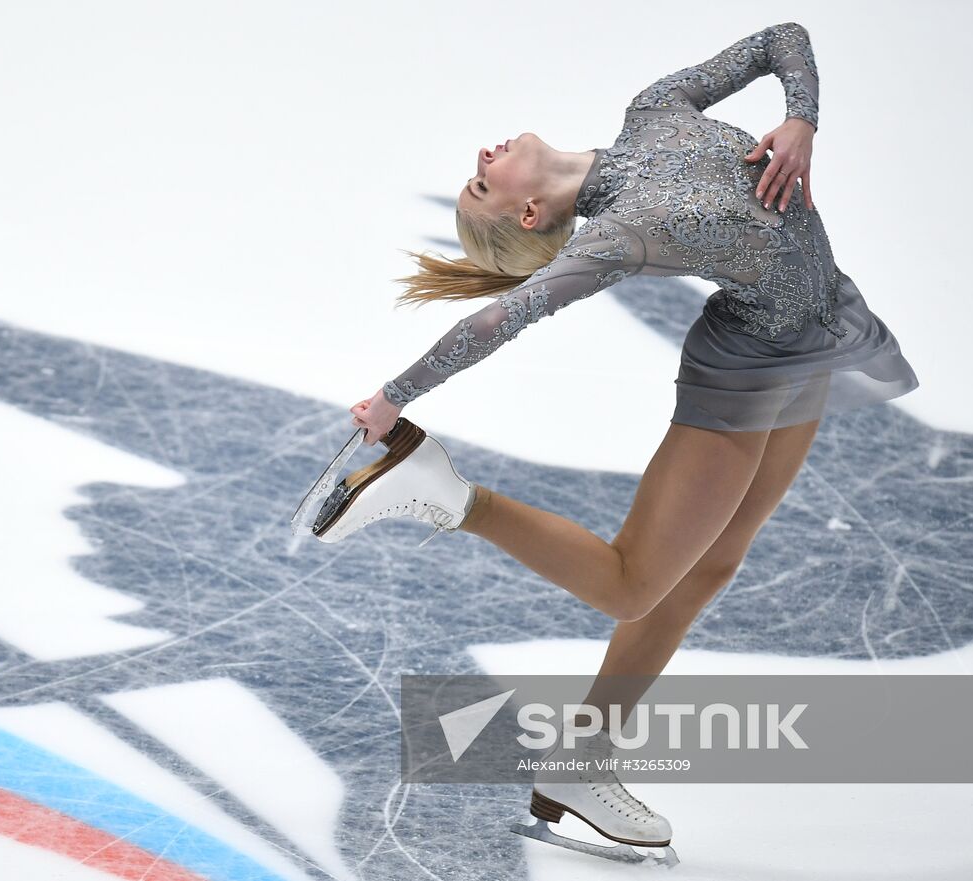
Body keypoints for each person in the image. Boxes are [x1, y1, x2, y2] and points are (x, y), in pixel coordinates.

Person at [329, 20, 921, 862]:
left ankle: (583, 761)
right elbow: (502, 316)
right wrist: (395, 397)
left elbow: (780, 38)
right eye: (480, 182)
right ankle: (450, 494)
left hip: (813, 337)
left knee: (715, 561)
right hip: (749, 364)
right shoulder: (617, 234)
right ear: (531, 212)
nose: (483, 155)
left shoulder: (653, 111)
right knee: (631, 583)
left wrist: (801, 119)